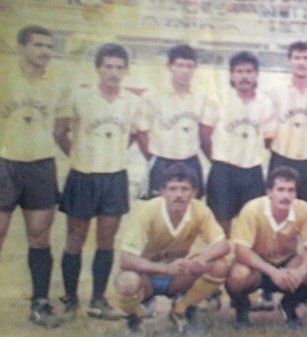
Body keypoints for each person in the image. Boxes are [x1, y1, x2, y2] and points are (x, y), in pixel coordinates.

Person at [54, 43, 139, 320]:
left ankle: (98, 299)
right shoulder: (81, 96)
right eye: (108, 66)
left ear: (126, 70)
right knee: (75, 238)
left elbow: (132, 135)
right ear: (98, 68)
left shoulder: (131, 101)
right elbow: (60, 133)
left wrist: (111, 155)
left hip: (114, 177)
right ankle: (70, 297)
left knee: (106, 240)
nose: (114, 72)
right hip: (83, 176)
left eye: (119, 67)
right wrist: (79, 156)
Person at [113, 163, 231, 335]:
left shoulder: (199, 210)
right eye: (173, 189)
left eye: (185, 189)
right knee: (126, 281)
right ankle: (135, 317)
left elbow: (223, 245)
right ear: (162, 191)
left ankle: (181, 310)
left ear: (194, 192)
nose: (179, 195)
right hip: (147, 276)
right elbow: (125, 259)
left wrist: (201, 259)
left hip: (178, 275)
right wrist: (164, 268)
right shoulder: (147, 211)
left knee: (220, 266)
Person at [0, 25, 66, 327]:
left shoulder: (57, 83)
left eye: (49, 46)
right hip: (5, 162)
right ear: (21, 47)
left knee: (40, 236)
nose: (44, 51)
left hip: (41, 165)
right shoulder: (5, 77)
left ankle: (40, 303)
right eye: (38, 45)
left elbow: (61, 127)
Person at [225, 166, 307, 326]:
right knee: (238, 275)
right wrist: (272, 272)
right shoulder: (252, 209)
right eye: (280, 190)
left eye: (291, 190)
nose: (286, 196)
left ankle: (289, 304)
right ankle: (242, 307)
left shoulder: (303, 209)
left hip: (287, 263)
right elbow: (241, 251)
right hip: (257, 266)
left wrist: (301, 271)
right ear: (269, 192)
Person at [201, 51, 274, 235]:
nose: (244, 76)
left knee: (251, 226)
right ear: (231, 75)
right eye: (239, 71)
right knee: (221, 227)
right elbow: (204, 135)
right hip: (223, 170)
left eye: (249, 71)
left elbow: (269, 138)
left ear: (256, 75)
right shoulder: (218, 99)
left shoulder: (265, 102)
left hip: (252, 171)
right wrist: (216, 160)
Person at [136, 44, 213, 199]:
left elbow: (204, 132)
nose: (185, 71)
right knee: (159, 208)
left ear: (195, 68)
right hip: (162, 162)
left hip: (191, 161)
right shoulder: (152, 96)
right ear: (169, 66)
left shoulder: (202, 97)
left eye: (189, 66)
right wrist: (153, 159)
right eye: (180, 65)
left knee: (192, 207)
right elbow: (141, 133)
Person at [267, 41, 307, 216]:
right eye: (297, 58)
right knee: (278, 211)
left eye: (306, 58)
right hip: (281, 158)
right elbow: (266, 128)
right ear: (289, 61)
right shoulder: (274, 90)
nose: (301, 62)